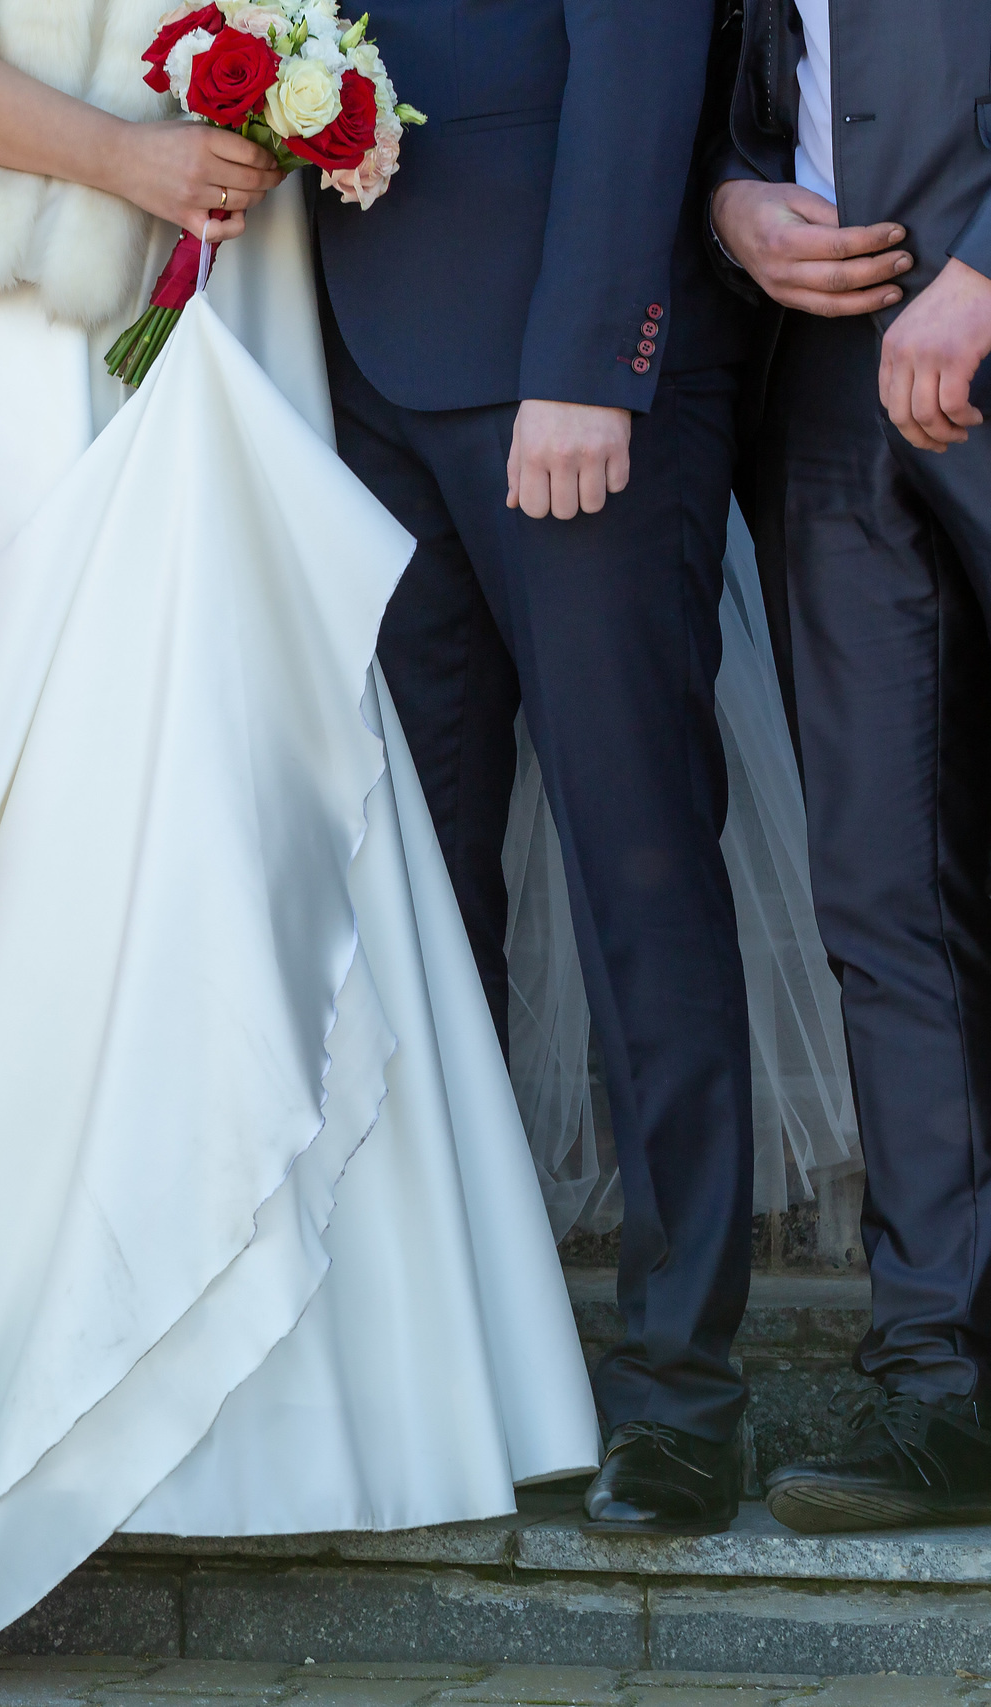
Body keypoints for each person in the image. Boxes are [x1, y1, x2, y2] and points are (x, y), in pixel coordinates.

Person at [0, 0, 599, 1680]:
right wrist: (129, 156)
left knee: (259, 768)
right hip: (6, 335)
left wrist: (327, 113)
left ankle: (294, 1401)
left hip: (237, 321)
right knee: (13, 819)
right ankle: (11, 1365)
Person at [306, 0, 758, 1536]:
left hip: (568, 374)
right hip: (360, 368)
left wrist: (593, 352)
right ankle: (475, 1359)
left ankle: (685, 1388)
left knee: (636, 861)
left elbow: (642, 57)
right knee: (423, 886)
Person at [710, 0, 991, 1532]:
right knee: (883, 895)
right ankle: (938, 1385)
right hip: (824, 384)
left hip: (976, 313)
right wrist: (738, 204)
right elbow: (756, 84)